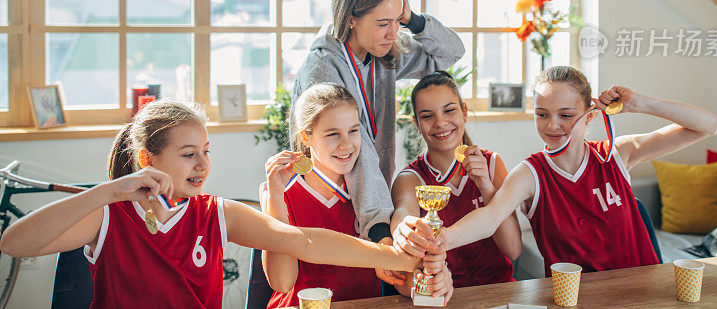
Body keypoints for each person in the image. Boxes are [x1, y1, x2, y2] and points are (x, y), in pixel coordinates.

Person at [0, 100, 420, 308]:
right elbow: (14, 244)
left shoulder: (217, 213)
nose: (203, 165)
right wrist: (107, 191)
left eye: (206, 150)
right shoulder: (108, 214)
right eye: (188, 154)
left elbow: (304, 241)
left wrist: (400, 260)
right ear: (149, 160)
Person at [397, 66, 717, 275]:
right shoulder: (530, 174)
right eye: (542, 115)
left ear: (590, 116)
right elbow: (490, 216)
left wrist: (640, 103)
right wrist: (440, 240)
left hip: (643, 296)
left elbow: (709, 125)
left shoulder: (617, 154)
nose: (553, 126)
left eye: (566, 115)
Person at [292, 0, 464, 283]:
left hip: (372, 199)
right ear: (351, 19)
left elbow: (451, 54)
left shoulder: (386, 49)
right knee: (330, 288)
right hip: (333, 193)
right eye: (383, 23)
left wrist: (415, 21)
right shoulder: (324, 68)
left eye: (396, 22)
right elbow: (358, 151)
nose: (392, 32)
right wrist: (381, 233)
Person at [261, 83, 452, 306]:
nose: (347, 144)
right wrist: (274, 196)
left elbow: (398, 277)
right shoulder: (281, 193)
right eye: (333, 134)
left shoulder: (372, 201)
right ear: (306, 137)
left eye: (353, 131)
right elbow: (282, 283)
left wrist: (429, 279)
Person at [391, 71, 521, 292]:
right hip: (443, 294)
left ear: (464, 112)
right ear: (417, 124)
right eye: (427, 116)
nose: (440, 123)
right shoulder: (410, 179)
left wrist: (486, 187)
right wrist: (400, 230)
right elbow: (403, 220)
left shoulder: (491, 163)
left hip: (497, 292)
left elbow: (514, 249)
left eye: (449, 110)